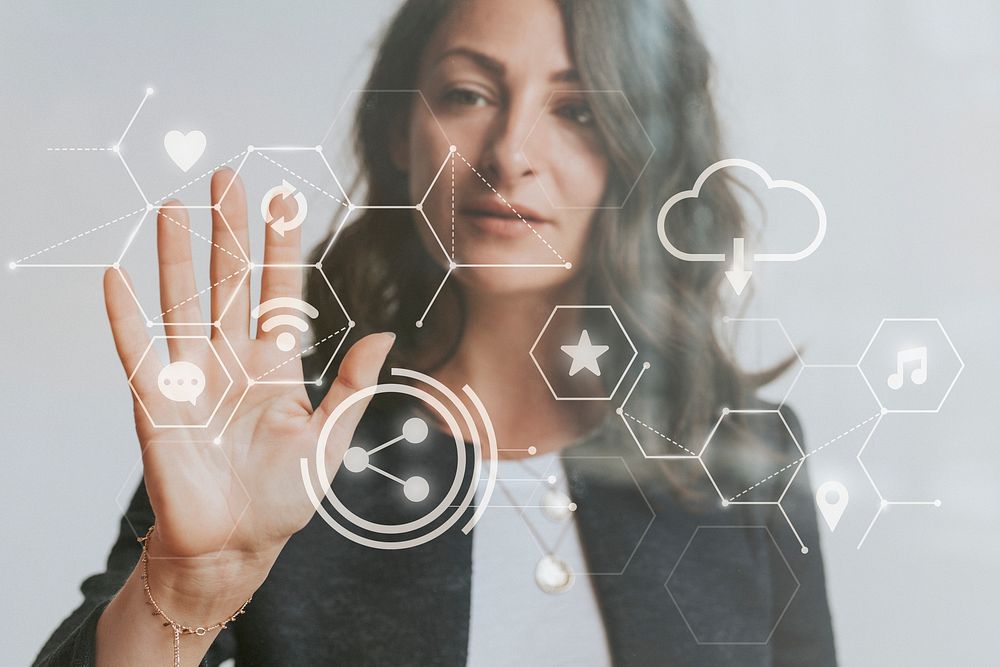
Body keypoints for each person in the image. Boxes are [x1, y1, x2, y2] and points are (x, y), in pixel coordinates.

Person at [35, 0, 836, 665]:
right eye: (468, 94)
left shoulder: (743, 450)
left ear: (643, 159)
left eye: (579, 108)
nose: (512, 153)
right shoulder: (272, 440)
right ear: (397, 132)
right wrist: (184, 589)